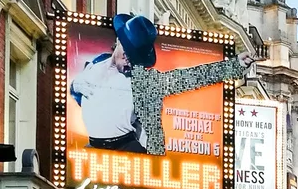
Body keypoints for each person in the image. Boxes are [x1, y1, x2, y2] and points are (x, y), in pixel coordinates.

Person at [69, 13, 250, 154]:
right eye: (127, 52)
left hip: (126, 151)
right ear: (118, 42)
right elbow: (77, 89)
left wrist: (234, 65)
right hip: (92, 148)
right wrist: (76, 86)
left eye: (135, 58)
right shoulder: (94, 63)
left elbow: (189, 77)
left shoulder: (144, 80)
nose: (129, 61)